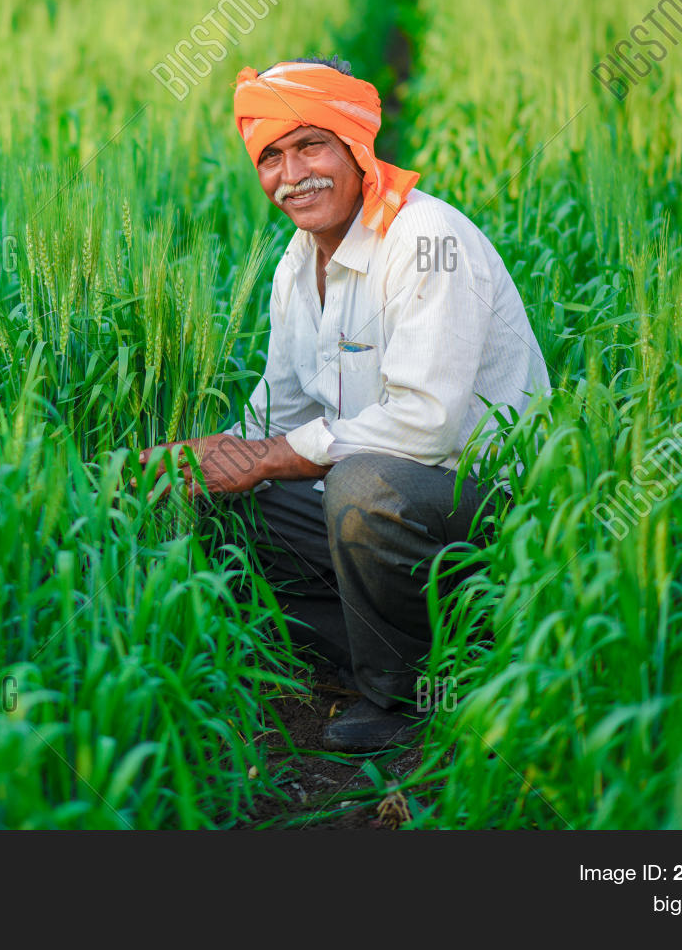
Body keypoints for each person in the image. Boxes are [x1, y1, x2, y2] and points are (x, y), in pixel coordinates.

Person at [138, 54, 550, 752]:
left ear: (357, 145)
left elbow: (426, 427)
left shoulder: (425, 241)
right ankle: (436, 639)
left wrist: (267, 457)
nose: (293, 175)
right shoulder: (297, 264)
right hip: (387, 506)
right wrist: (205, 457)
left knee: (357, 488)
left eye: (310, 145)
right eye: (271, 156)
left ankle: (404, 695)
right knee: (219, 497)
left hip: (485, 512)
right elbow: (281, 412)